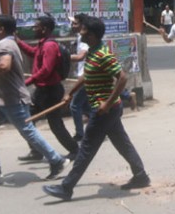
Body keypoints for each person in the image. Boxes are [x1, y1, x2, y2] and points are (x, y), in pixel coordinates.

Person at [42, 16, 150, 201]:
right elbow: (86, 75)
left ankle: (66, 188)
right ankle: (141, 176)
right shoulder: (93, 51)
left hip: (104, 111)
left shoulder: (103, 54)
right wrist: (71, 93)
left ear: (90, 34)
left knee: (86, 149)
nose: (79, 31)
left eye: (82, 29)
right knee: (122, 143)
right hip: (107, 109)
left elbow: (122, 78)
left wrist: (107, 103)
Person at [0, 15, 70, 180]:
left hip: (13, 99)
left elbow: (4, 65)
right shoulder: (9, 43)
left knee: (28, 131)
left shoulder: (6, 45)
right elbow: (12, 63)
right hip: (2, 98)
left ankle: (56, 160)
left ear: (1, 29)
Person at [16, 15, 78, 161]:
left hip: (51, 92)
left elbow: (46, 70)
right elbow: (33, 53)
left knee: (55, 125)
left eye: (36, 26)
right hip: (41, 91)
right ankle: (36, 151)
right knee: (27, 119)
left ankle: (75, 150)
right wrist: (18, 42)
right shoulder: (42, 44)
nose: (34, 28)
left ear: (44, 29)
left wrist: (28, 81)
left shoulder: (50, 46)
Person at [68, 14, 90, 141]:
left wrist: (61, 56)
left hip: (85, 77)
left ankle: (80, 134)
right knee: (88, 107)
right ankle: (101, 128)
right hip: (84, 75)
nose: (73, 26)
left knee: (74, 106)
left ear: (82, 25)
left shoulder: (85, 39)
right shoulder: (80, 37)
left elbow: (81, 56)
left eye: (75, 23)